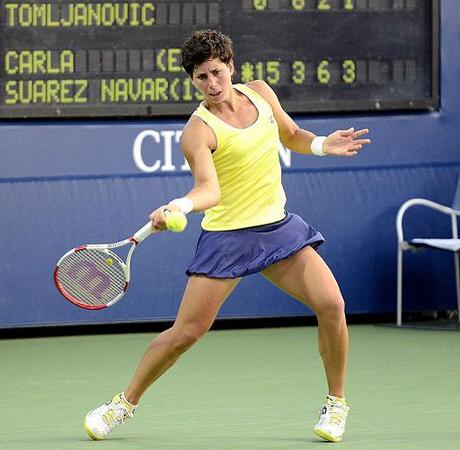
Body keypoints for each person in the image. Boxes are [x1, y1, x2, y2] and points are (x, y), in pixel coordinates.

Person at [83, 29, 370, 443]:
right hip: (228, 239)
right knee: (186, 333)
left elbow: (290, 136)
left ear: (231, 66)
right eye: (202, 78)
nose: (213, 84)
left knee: (332, 304)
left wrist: (324, 144)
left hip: (277, 229)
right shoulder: (197, 131)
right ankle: (122, 405)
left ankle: (336, 404)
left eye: (217, 72)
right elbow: (209, 190)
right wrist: (180, 206)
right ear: (193, 81)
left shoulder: (260, 93)